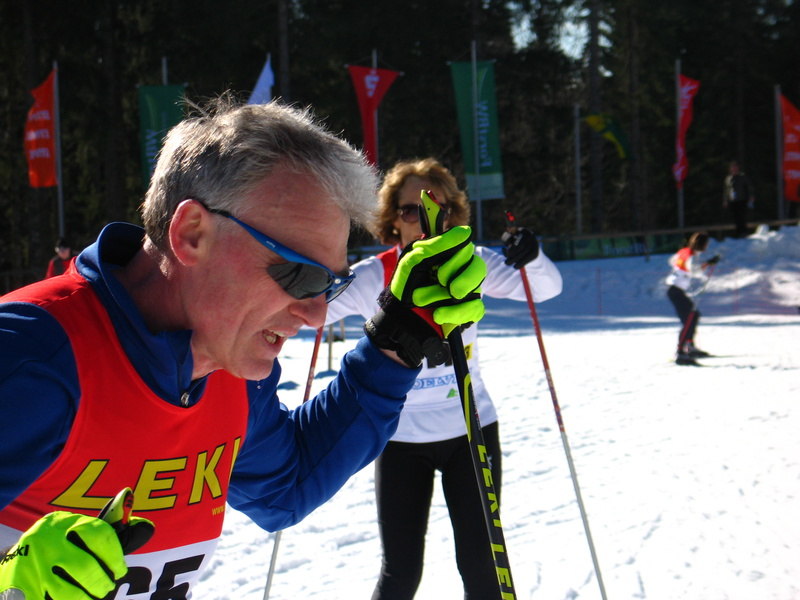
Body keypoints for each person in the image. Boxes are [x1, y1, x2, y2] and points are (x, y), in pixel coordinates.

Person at [0, 101, 487, 599]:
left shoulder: (225, 362)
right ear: (192, 233)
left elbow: (285, 485)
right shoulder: (29, 356)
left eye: (330, 283)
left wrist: (398, 340)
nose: (316, 314)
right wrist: (11, 579)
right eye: (300, 274)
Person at [325, 157, 563, 599]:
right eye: (410, 210)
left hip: (470, 432)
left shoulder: (472, 263)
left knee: (482, 566)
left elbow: (546, 288)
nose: (424, 221)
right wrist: (315, 264)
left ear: (452, 216)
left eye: (437, 209)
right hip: (400, 439)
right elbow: (307, 312)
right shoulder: (373, 275)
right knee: (400, 573)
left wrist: (532, 257)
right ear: (392, 219)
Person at [665, 231, 720, 366]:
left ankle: (689, 346)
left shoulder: (684, 251)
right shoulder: (691, 254)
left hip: (675, 290)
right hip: (676, 290)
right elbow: (694, 270)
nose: (706, 246)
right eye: (706, 244)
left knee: (693, 316)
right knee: (689, 319)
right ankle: (681, 352)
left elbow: (672, 261)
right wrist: (708, 263)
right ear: (702, 244)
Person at [722, 161, 755, 238]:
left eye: (735, 167)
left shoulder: (742, 177)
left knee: (742, 217)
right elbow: (726, 190)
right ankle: (737, 233)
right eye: (733, 167)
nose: (734, 169)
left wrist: (751, 196)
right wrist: (725, 200)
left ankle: (743, 232)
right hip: (733, 201)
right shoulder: (728, 178)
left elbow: (749, 187)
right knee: (735, 217)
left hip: (742, 200)